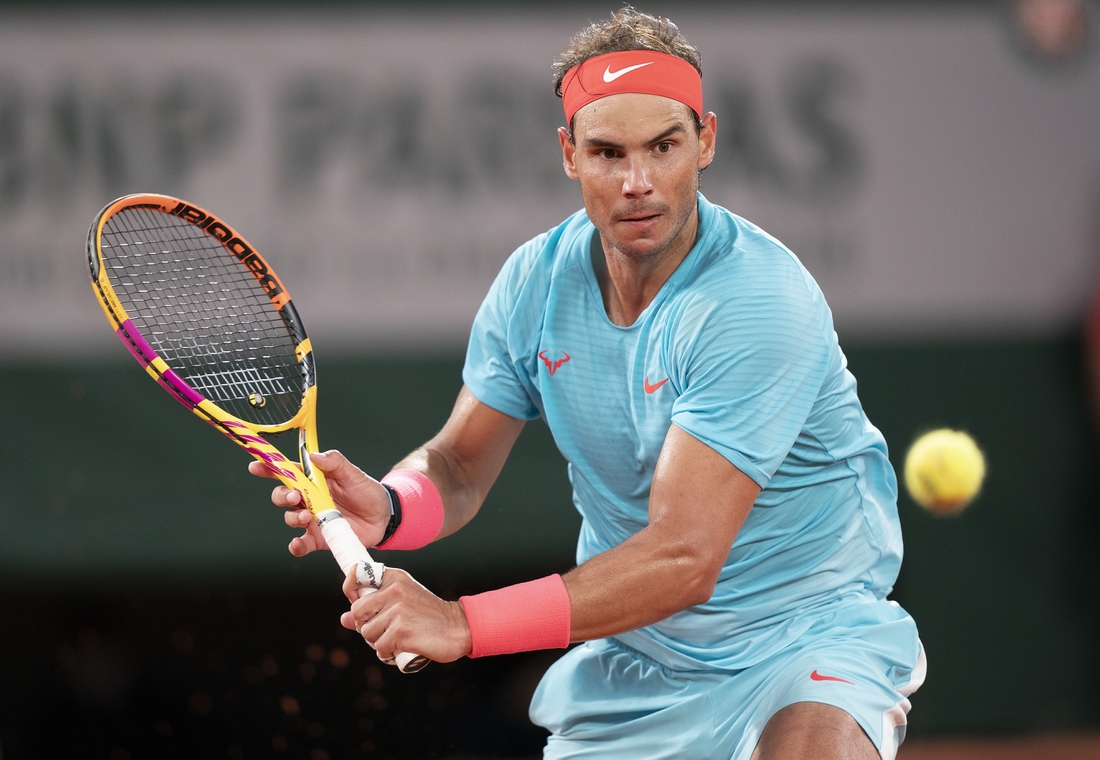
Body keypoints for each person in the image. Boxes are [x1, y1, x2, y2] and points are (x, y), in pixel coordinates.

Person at [251, 7, 924, 759]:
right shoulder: (535, 283)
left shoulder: (756, 302)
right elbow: (461, 465)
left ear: (705, 139)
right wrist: (393, 505)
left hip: (801, 638)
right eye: (608, 153)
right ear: (569, 154)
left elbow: (683, 557)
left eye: (663, 146)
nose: (638, 182)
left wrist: (462, 624)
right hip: (637, 660)